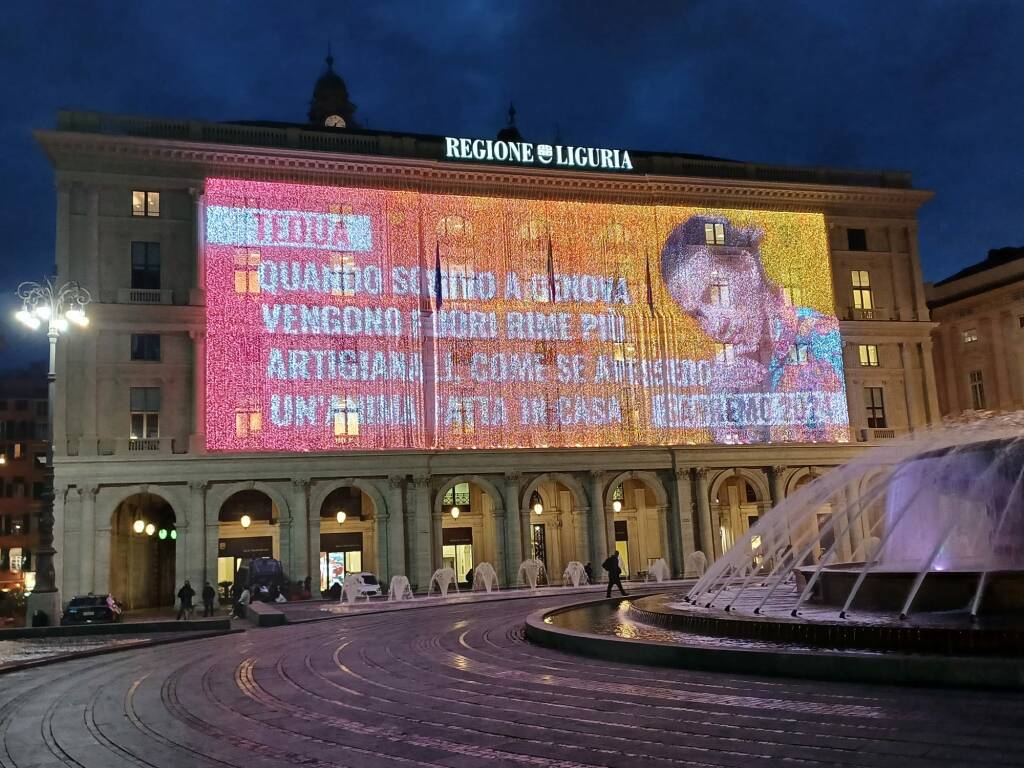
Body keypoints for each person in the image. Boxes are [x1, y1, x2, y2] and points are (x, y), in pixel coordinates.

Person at [659, 214, 847, 443]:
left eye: (715, 291)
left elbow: (837, 439)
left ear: (746, 266)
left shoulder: (822, 338)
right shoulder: (722, 374)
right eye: (696, 314)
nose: (715, 323)